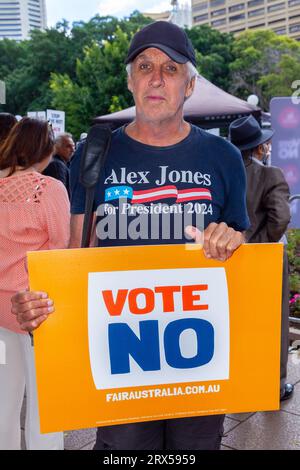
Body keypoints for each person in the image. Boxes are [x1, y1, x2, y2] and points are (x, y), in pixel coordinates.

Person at [11, 21, 249, 450]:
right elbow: (78, 253)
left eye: (172, 68)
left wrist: (229, 243)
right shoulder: (95, 152)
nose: (157, 77)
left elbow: (241, 246)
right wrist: (42, 304)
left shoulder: (223, 156)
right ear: (130, 80)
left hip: (197, 355)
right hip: (120, 356)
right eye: (144, 65)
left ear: (191, 85)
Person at [0, 117, 70, 450]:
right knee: (45, 403)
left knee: (4, 398)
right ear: (44, 150)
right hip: (37, 312)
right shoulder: (48, 189)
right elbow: (60, 246)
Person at [229, 115, 294, 402]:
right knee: (275, 321)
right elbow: (280, 218)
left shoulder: (224, 173)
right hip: (266, 257)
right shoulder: (271, 175)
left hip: (230, 258)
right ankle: (275, 384)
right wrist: (261, 245)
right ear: (259, 147)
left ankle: (243, 378)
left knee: (239, 321)